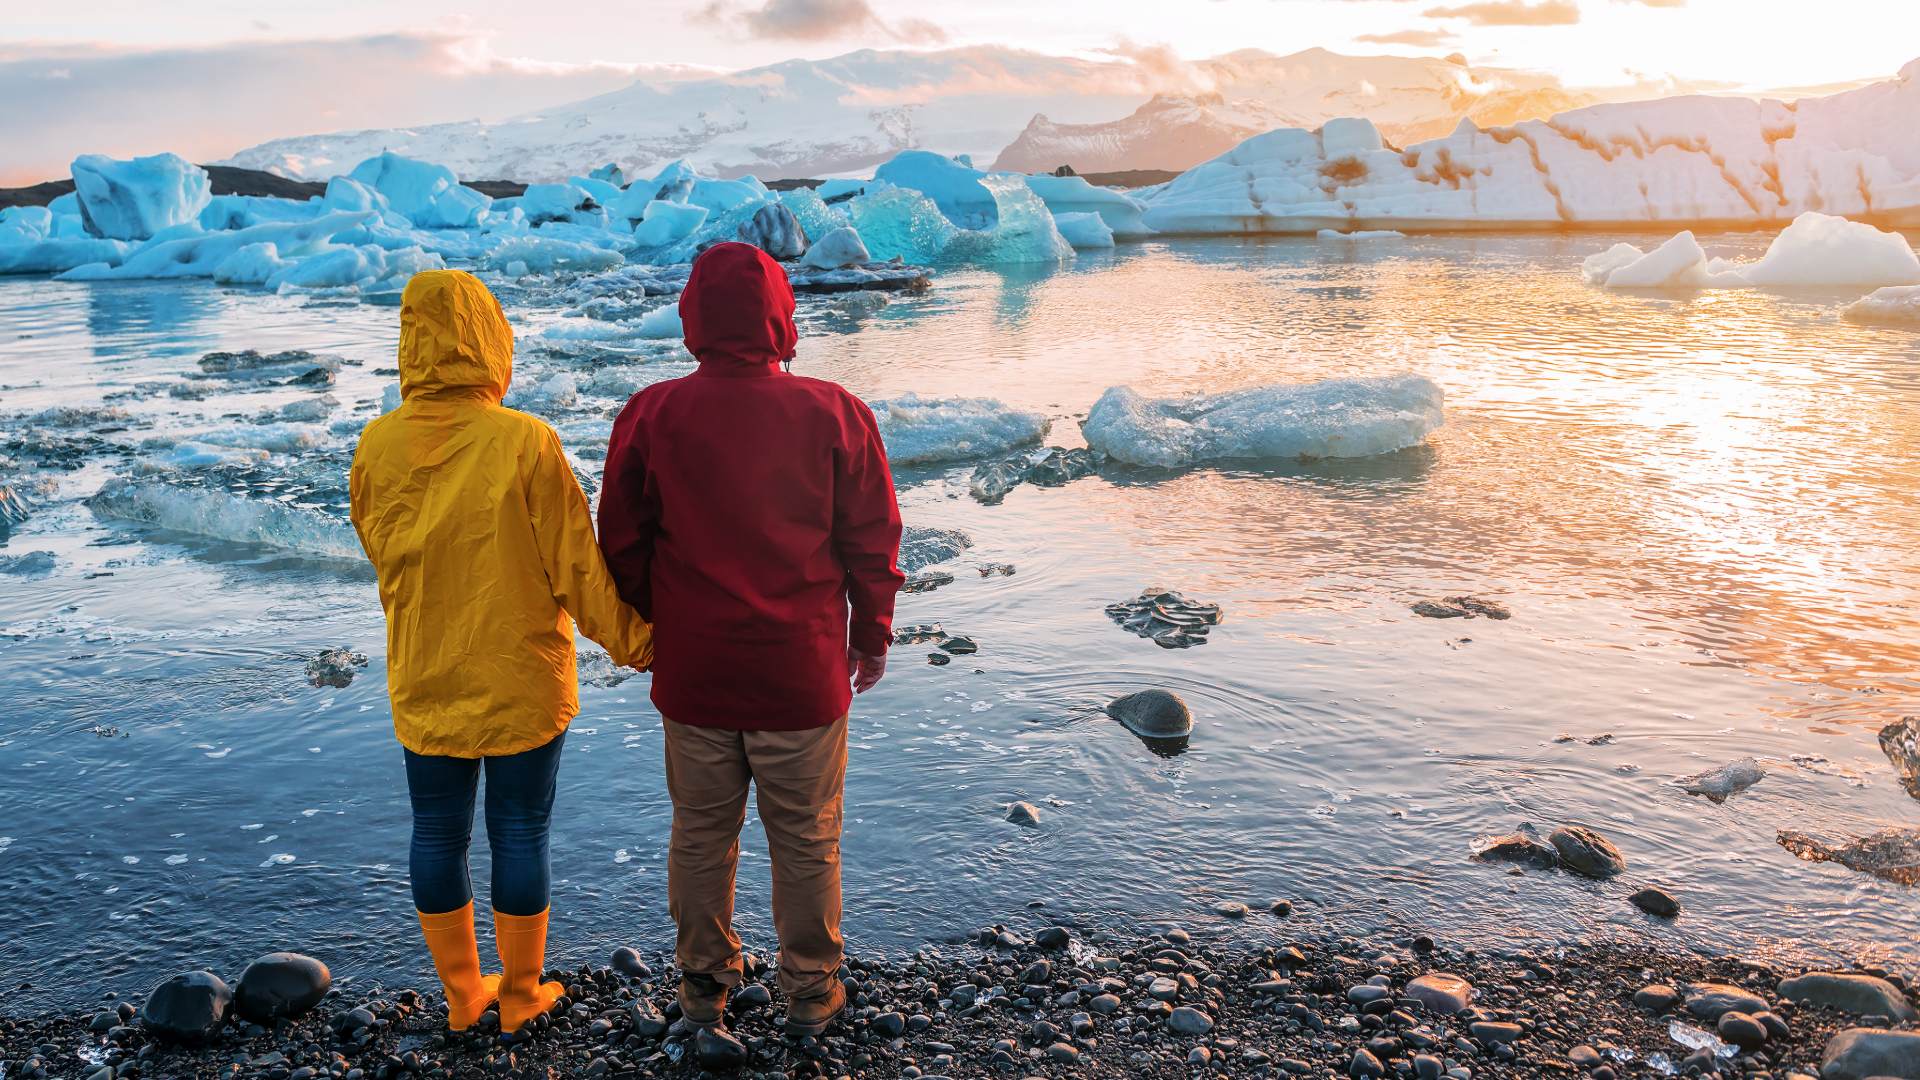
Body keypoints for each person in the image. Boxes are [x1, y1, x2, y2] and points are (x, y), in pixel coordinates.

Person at [598, 242, 904, 1036]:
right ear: (781, 316)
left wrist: (661, 617)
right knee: (806, 837)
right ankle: (810, 994)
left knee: (701, 834)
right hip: (800, 675)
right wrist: (871, 633)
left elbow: (621, 541)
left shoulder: (653, 412)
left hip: (695, 672)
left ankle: (704, 995)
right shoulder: (835, 410)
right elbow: (872, 538)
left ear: (692, 316)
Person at [350, 269, 653, 1035]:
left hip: (425, 670)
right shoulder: (525, 441)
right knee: (520, 830)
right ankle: (519, 995)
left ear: (411, 343)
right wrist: (636, 641)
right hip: (520, 675)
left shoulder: (376, 444)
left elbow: (377, 547)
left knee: (435, 832)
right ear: (491, 341)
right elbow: (576, 568)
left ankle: (460, 995)